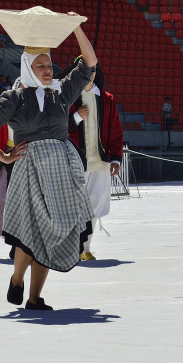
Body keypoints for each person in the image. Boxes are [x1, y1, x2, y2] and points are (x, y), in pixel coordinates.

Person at [0, 16, 99, 311]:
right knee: (31, 233)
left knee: (54, 233)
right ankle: (17, 279)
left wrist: (75, 28)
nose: (47, 70)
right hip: (29, 170)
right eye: (40, 65)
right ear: (28, 66)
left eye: (50, 65)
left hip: (62, 169)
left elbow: (89, 63)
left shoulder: (61, 93)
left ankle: (34, 297)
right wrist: (3, 157)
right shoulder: (15, 98)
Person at [66, 58, 123, 261]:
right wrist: (76, 118)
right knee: (74, 205)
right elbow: (59, 127)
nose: (90, 74)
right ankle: (73, 246)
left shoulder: (107, 99)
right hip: (75, 162)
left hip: (100, 162)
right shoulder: (69, 97)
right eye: (85, 70)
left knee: (95, 204)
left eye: (92, 70)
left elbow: (115, 130)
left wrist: (116, 159)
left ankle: (86, 247)